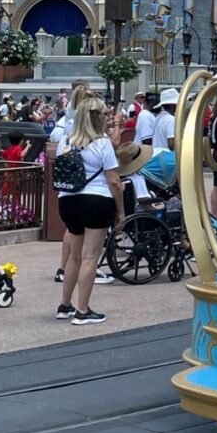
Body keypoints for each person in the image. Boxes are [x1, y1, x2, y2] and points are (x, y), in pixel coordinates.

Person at [56, 95, 125, 325]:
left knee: (74, 256)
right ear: (97, 118)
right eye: (106, 114)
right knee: (89, 257)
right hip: (96, 200)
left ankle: (65, 304)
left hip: (68, 200)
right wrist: (121, 212)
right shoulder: (102, 143)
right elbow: (114, 182)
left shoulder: (65, 141)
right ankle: (83, 310)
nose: (108, 118)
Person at [0, 130, 31, 198]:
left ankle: (5, 197)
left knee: (7, 185)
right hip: (15, 171)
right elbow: (22, 155)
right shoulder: (18, 148)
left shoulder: (10, 148)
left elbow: (3, 154)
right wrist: (28, 146)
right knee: (15, 187)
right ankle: (14, 200)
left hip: (9, 170)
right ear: (20, 141)